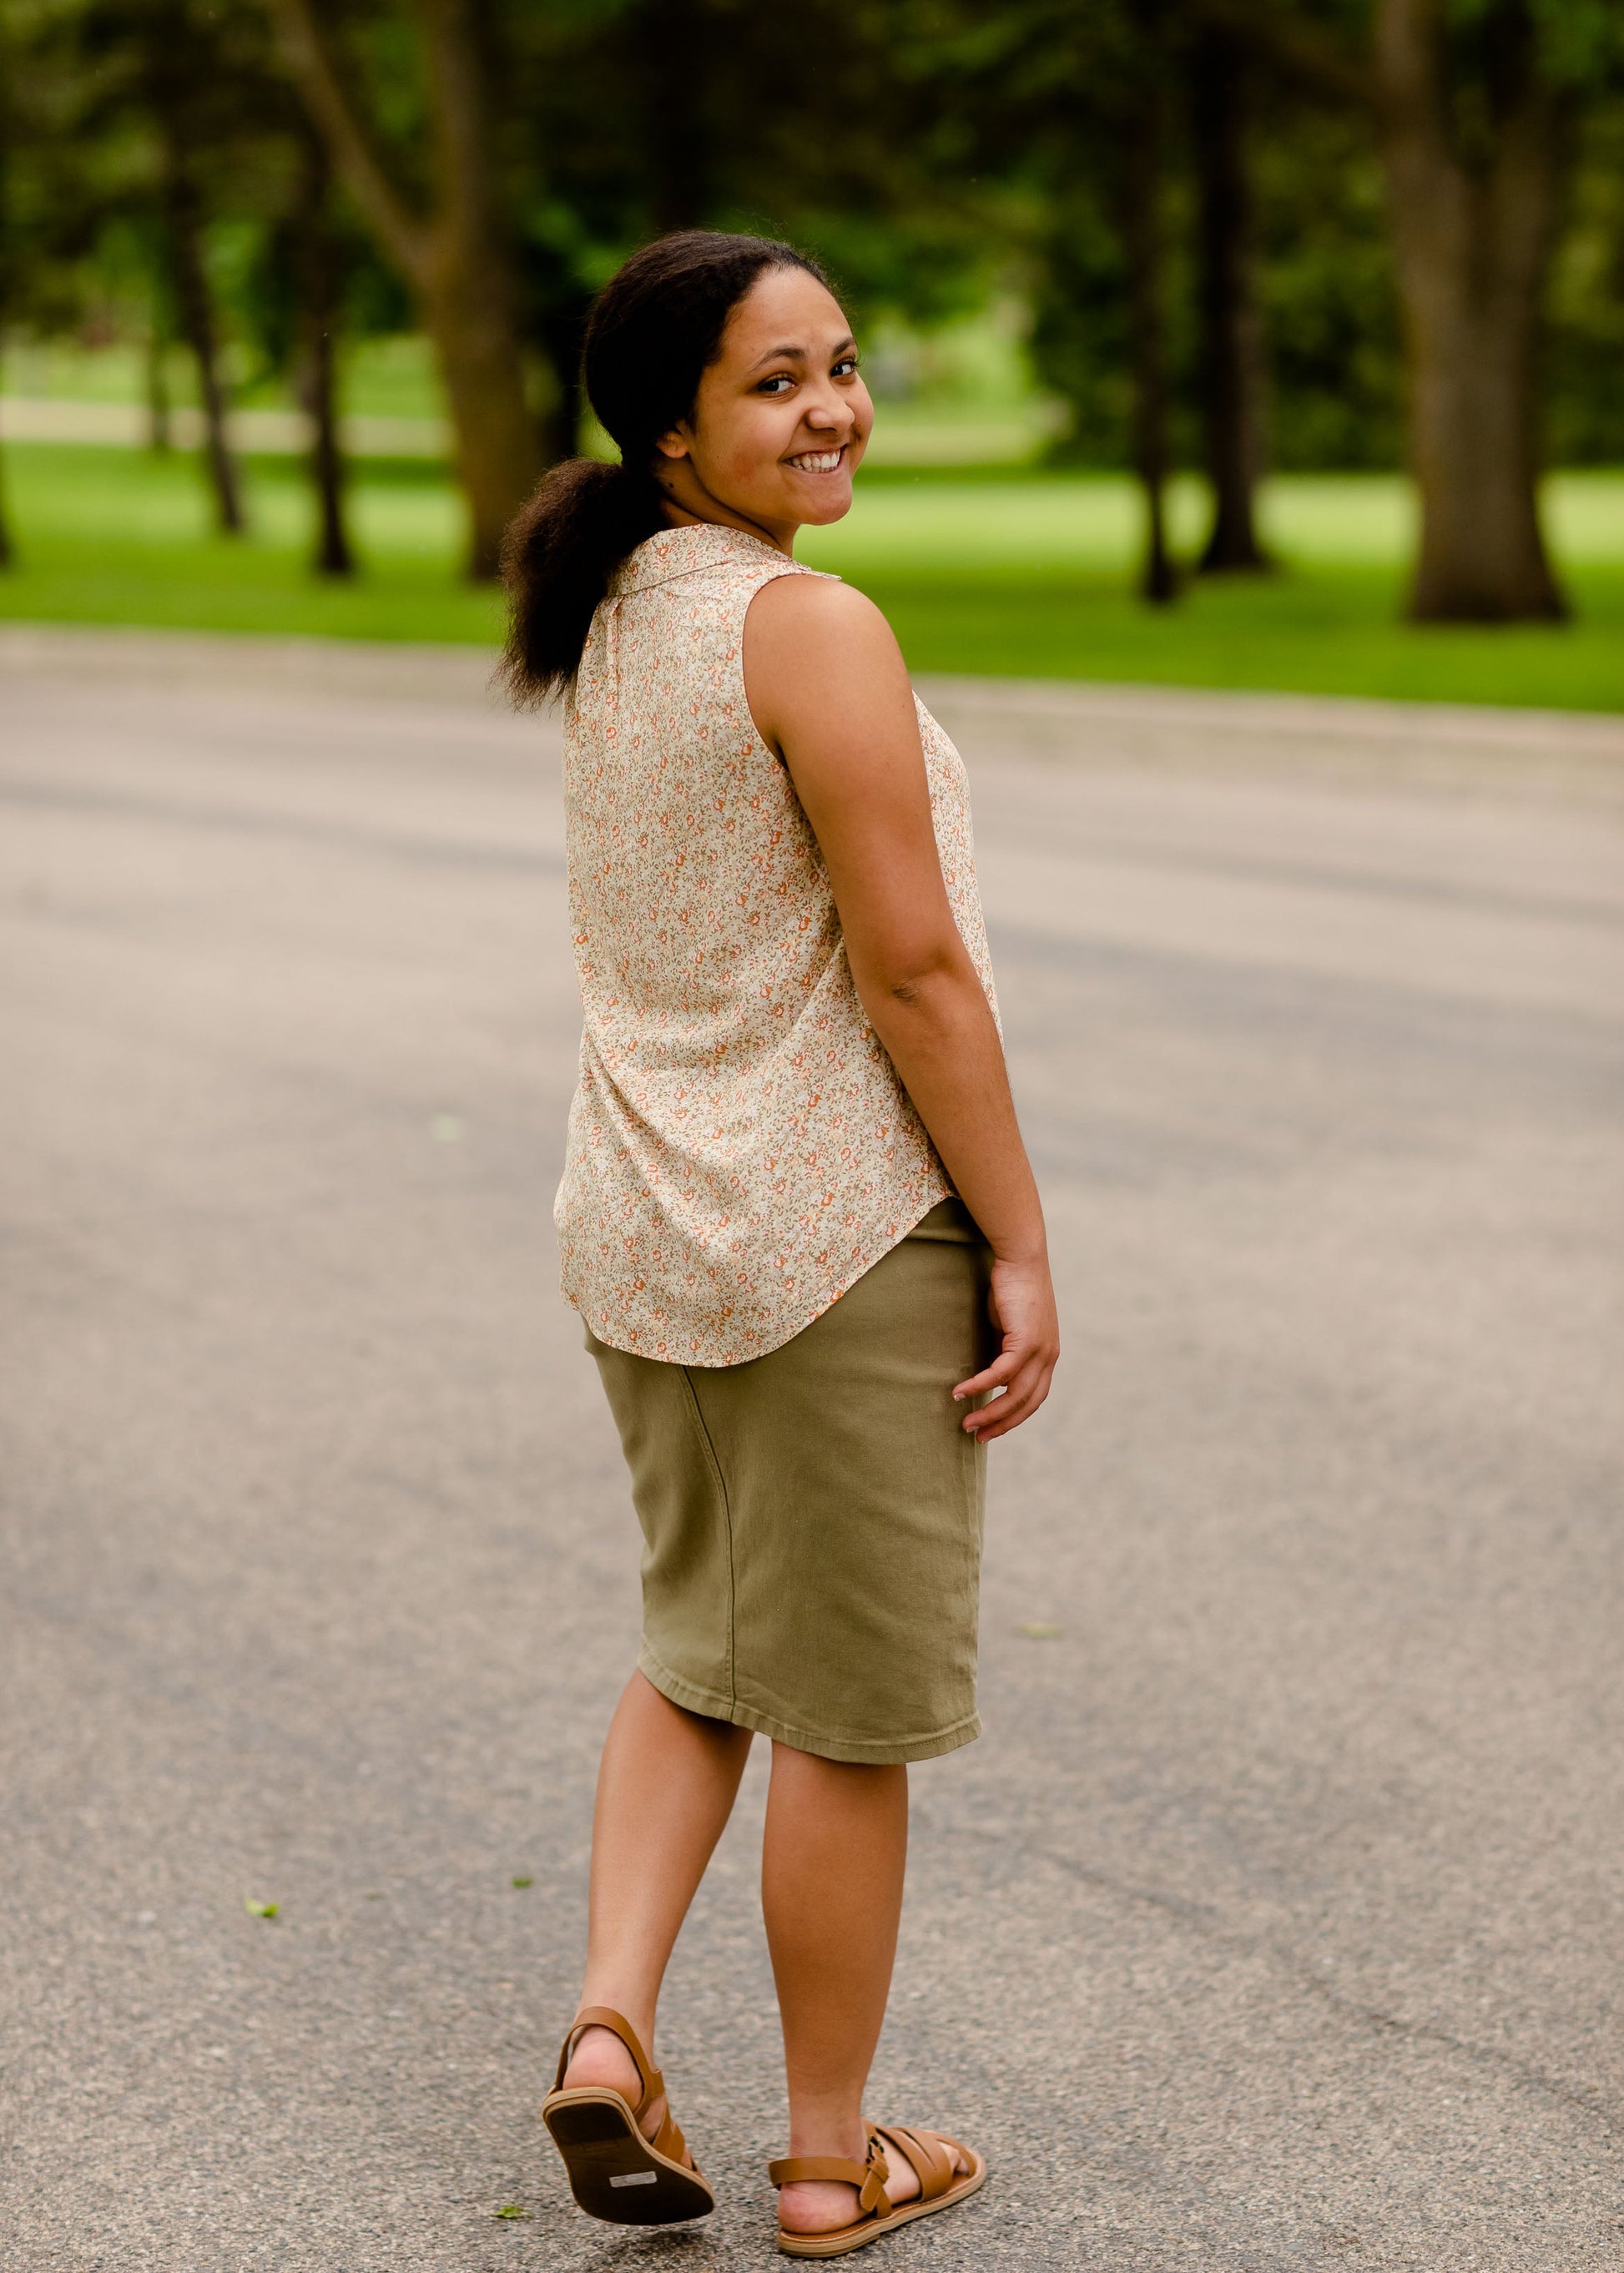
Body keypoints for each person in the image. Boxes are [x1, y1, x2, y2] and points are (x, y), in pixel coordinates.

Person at [499, 229, 1059, 2258]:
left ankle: (604, 2034)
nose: (833, 408)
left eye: (841, 365)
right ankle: (830, 2164)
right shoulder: (806, 626)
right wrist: (1018, 1237)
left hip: (645, 1225)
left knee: (697, 1654)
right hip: (828, 1230)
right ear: (673, 427)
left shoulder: (622, 603)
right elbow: (914, 973)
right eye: (775, 382)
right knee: (841, 1715)